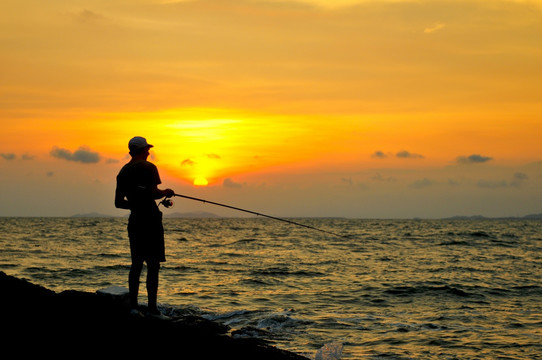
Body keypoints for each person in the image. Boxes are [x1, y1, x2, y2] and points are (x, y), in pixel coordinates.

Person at [115, 136, 174, 318]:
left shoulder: (123, 172)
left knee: (136, 265)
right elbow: (155, 192)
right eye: (146, 149)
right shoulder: (149, 167)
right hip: (151, 221)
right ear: (141, 150)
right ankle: (152, 310)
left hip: (135, 222)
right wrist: (166, 192)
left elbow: (118, 203)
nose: (149, 152)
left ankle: (134, 307)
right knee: (153, 265)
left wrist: (136, 205)